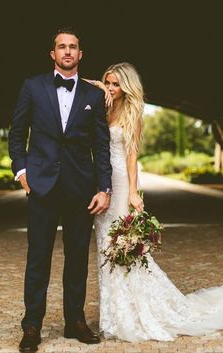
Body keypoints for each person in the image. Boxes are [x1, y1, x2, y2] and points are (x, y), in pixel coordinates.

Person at [94, 62, 223, 342]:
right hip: (101, 182)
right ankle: (112, 314)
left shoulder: (131, 113)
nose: (112, 88)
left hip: (119, 181)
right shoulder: (103, 106)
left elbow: (131, 158)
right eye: (109, 82)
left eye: (117, 84)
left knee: (121, 247)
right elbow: (82, 85)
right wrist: (100, 86)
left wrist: (133, 192)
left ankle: (133, 313)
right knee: (104, 245)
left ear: (127, 86)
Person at [8, 27, 112, 352]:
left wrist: (104, 187)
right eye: (62, 47)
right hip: (42, 187)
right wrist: (21, 171)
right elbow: (16, 134)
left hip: (80, 189)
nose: (67, 52)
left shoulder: (94, 96)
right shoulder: (32, 87)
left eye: (73, 47)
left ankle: (75, 321)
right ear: (52, 53)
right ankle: (32, 326)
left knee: (77, 258)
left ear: (80, 54)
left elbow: (102, 146)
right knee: (38, 258)